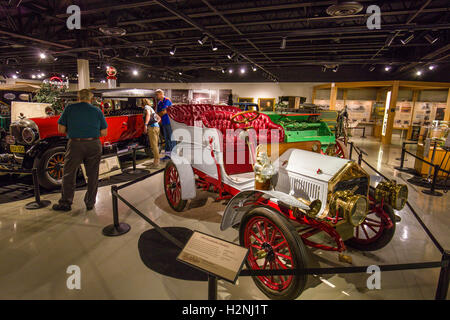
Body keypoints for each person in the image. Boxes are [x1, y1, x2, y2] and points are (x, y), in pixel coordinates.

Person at [53, 89, 108, 212]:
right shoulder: (97, 111)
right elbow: (104, 132)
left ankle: (66, 202)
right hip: (94, 144)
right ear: (91, 98)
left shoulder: (69, 108)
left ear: (78, 97)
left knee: (69, 173)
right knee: (93, 174)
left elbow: (61, 129)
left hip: (75, 144)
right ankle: (90, 202)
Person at [143, 98, 161, 168]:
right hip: (156, 127)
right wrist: (156, 122)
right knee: (155, 145)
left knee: (153, 146)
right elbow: (159, 118)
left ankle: (156, 162)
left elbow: (147, 114)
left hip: (152, 128)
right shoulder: (151, 108)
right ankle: (155, 161)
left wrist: (146, 125)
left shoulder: (146, 107)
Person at [155, 89, 173, 159]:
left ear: (160, 94)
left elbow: (163, 112)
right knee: (166, 139)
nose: (156, 96)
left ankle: (172, 155)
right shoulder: (159, 103)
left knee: (171, 139)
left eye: (157, 95)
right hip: (164, 122)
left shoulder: (167, 100)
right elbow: (159, 112)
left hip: (169, 122)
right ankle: (167, 155)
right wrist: (158, 115)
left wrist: (157, 115)